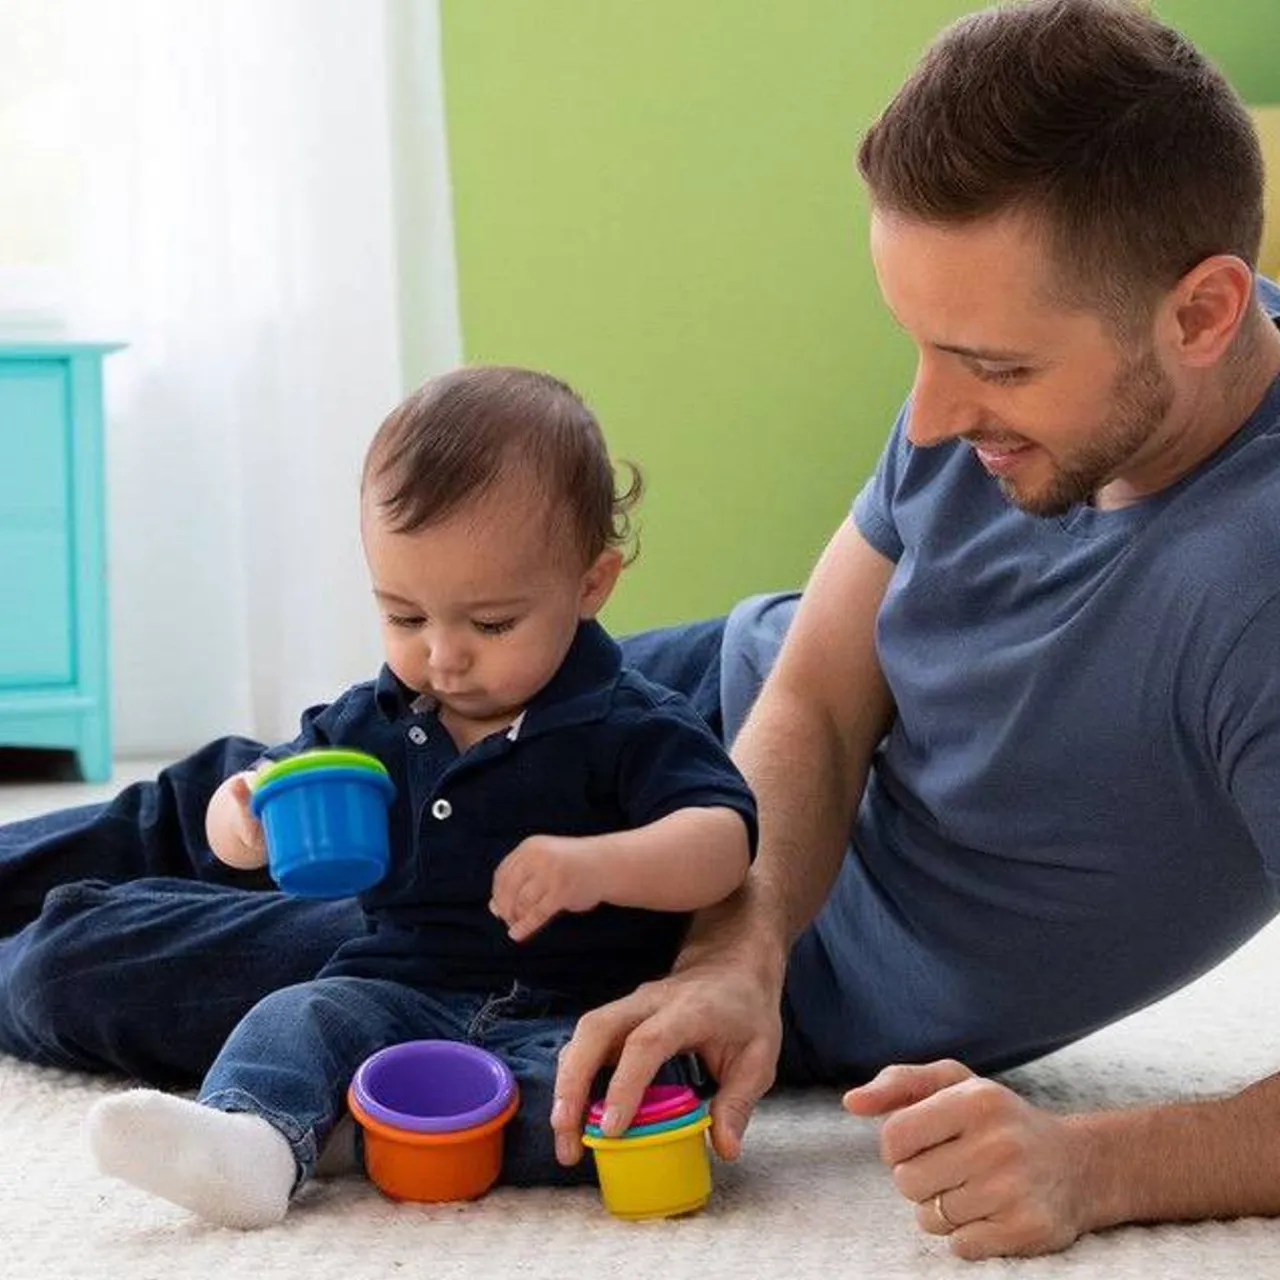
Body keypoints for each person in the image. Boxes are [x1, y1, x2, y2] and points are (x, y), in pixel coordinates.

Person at [0, 0, 1275, 1259]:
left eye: (993, 366)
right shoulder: (1011, 365)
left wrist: (1095, 1164)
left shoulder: (1252, 590)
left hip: (654, 912)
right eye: (920, 346)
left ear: (1201, 313)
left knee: (85, 961)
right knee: (266, 787)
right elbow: (821, 693)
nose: (929, 417)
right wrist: (739, 939)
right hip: (706, 722)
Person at [81, 365, 756, 1228]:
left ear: (591, 584)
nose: (443, 656)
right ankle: (255, 1140)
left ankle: (359, 1129)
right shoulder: (375, 717)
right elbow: (263, 787)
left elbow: (724, 844)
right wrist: (241, 817)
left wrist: (600, 865)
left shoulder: (629, 721)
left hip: (575, 1009)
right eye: (405, 617)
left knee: (616, 1096)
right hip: (395, 989)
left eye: (492, 623)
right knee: (299, 1016)